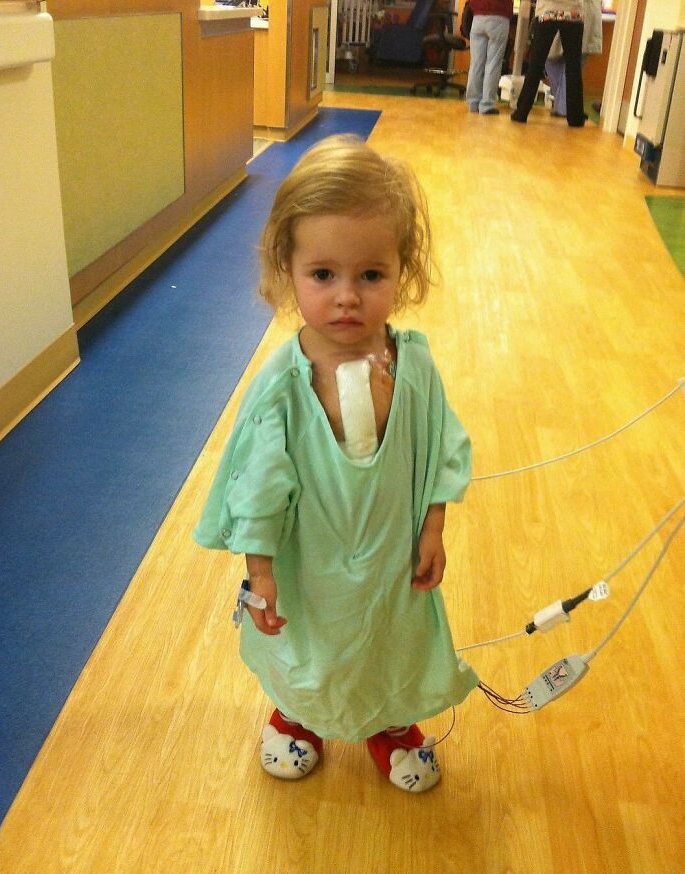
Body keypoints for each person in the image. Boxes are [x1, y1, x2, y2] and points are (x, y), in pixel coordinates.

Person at [193, 135, 479, 793]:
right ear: (286, 268)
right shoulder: (284, 387)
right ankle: (297, 716)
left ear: (401, 271)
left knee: (391, 639)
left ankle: (390, 720)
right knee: (313, 644)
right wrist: (258, 574)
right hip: (311, 564)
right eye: (324, 275)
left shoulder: (415, 367)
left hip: (391, 557)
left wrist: (433, 527)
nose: (346, 297)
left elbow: (440, 446)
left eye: (370, 275)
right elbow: (258, 489)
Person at [511, 0, 586, 127]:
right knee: (573, 67)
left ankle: (521, 112)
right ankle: (576, 117)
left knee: (536, 64)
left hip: (547, 11)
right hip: (574, 12)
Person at [544, 0, 602, 118]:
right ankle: (566, 107)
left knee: (572, 64)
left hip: (581, 13)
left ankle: (564, 108)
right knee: (550, 60)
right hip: (563, 12)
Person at [465, 0, 514, 115]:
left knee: (476, 64)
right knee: (493, 63)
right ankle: (487, 105)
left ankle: (473, 103)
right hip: (499, 16)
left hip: (477, 17)